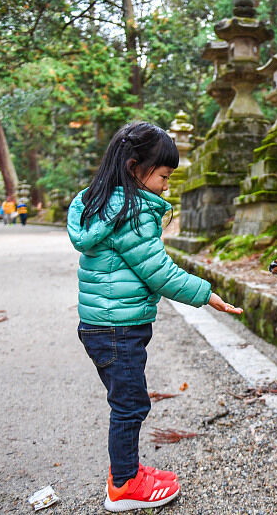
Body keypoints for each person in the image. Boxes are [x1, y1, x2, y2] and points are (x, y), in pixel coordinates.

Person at [67, 121, 243, 512]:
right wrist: (206, 294)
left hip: (104, 325)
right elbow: (159, 272)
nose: (166, 186)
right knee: (130, 405)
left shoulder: (104, 204)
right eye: (163, 176)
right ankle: (124, 486)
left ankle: (126, 471)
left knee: (126, 401)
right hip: (117, 328)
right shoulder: (130, 212)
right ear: (135, 169)